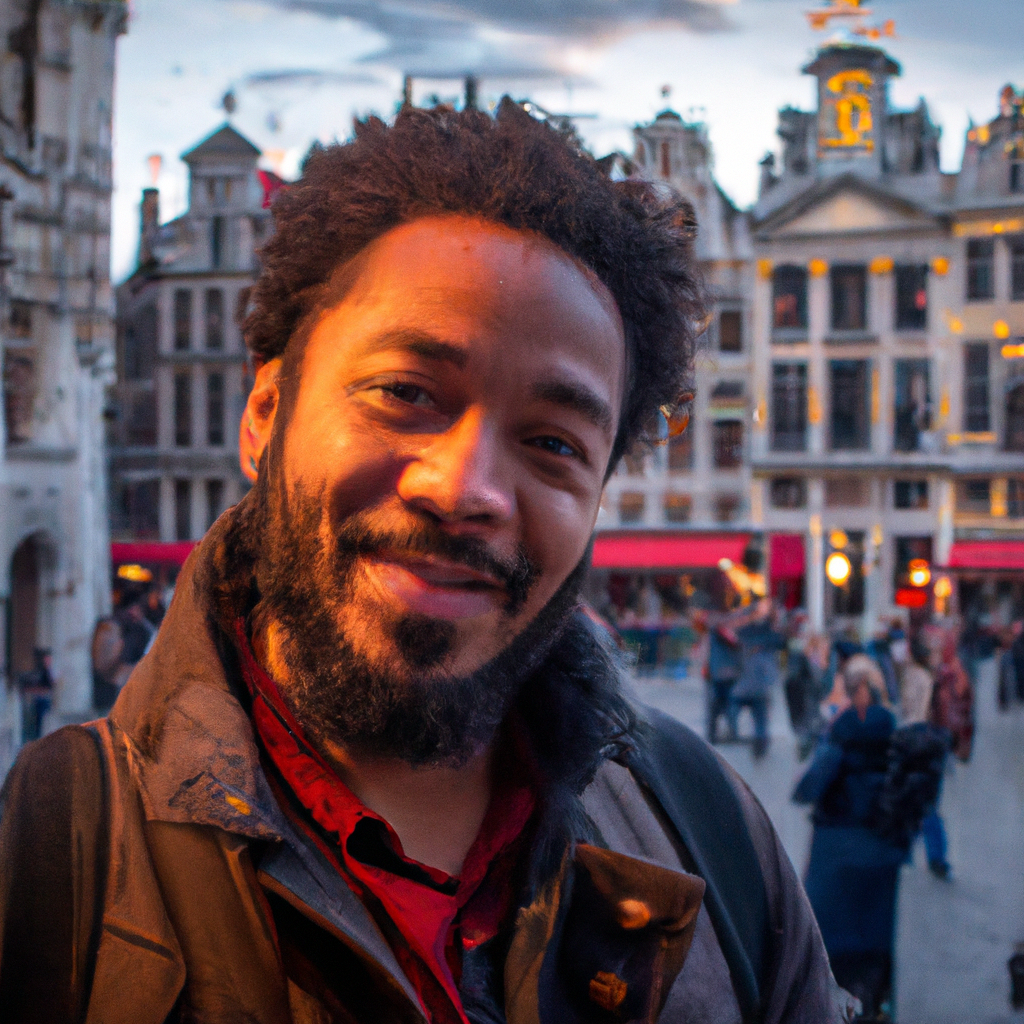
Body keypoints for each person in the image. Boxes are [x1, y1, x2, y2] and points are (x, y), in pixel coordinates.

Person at [0, 103, 854, 1023]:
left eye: (553, 442)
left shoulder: (715, 837)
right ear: (264, 415)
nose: (465, 488)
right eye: (405, 392)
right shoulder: (47, 859)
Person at [795, 656, 902, 1021]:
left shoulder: (841, 730)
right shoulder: (891, 727)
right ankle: (879, 1004)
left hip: (837, 846)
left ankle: (835, 1006)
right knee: (876, 934)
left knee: (832, 935)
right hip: (880, 845)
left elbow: (812, 783)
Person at [899, 636, 951, 879]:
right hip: (931, 740)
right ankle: (936, 856)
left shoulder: (915, 677)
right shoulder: (932, 678)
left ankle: (909, 850)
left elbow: (910, 710)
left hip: (917, 739)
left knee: (916, 798)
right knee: (928, 801)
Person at [731, 599, 786, 758]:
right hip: (751, 680)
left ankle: (759, 743)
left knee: (758, 714)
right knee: (751, 711)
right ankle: (752, 739)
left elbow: (779, 640)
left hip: (758, 681)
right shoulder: (751, 630)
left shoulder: (769, 631)